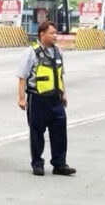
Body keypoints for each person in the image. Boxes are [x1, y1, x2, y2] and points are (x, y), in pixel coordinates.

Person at [16, 21, 75, 176]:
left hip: (55, 99)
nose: (55, 36)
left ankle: (59, 164)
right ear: (42, 34)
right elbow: (22, 78)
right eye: (52, 33)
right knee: (37, 133)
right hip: (37, 99)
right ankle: (37, 164)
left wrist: (64, 94)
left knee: (60, 132)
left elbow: (60, 75)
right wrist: (22, 98)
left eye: (56, 33)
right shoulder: (31, 52)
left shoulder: (58, 52)